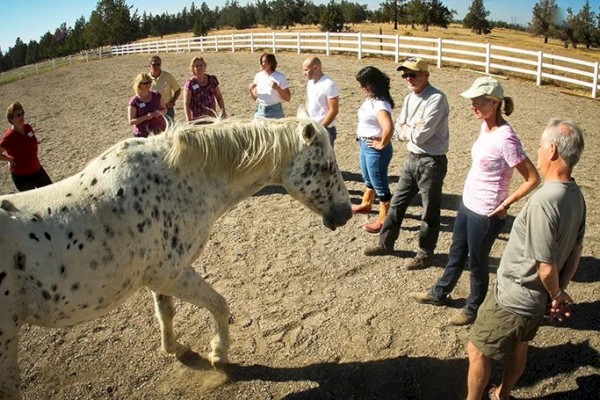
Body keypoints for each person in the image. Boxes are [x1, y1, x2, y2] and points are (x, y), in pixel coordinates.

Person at [466, 119, 586, 400]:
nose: (539, 151)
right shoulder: (576, 196)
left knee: (478, 349)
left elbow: (545, 266)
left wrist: (556, 293)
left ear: (553, 150)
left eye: (543, 146)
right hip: (536, 301)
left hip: (515, 297)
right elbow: (575, 251)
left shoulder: (545, 199)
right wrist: (556, 294)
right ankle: (503, 395)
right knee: (520, 343)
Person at [409, 76, 541, 326]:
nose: (472, 106)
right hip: (469, 204)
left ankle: (473, 307)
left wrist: (506, 203)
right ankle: (439, 293)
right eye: (472, 101)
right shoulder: (485, 127)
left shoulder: (506, 138)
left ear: (494, 103)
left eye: (478, 101)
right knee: (456, 252)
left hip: (487, 213)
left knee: (477, 262)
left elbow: (533, 178)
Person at [363, 57, 449, 270]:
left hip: (432, 161)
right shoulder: (411, 98)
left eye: (413, 74)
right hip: (412, 159)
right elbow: (399, 130)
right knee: (398, 203)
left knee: (429, 210)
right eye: (405, 75)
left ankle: (425, 253)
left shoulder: (437, 99)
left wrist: (407, 128)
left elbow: (420, 135)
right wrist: (410, 128)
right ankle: (385, 243)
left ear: (426, 75)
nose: (408, 78)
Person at [352, 66, 395, 232]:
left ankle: (385, 219)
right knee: (368, 177)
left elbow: (388, 127)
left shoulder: (380, 104)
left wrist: (382, 144)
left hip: (374, 149)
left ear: (372, 84)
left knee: (380, 183)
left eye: (363, 84)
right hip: (365, 144)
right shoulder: (371, 99)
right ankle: (366, 204)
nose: (360, 87)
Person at [0, 102, 52, 192]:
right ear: (11, 119)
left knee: (51, 193)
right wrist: (9, 160)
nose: (22, 116)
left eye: (22, 113)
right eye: (18, 115)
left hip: (37, 169)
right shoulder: (9, 137)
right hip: (22, 177)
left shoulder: (28, 128)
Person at [302, 56, 340, 147]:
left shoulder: (329, 85)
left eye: (306, 70)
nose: (304, 73)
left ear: (315, 68)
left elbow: (333, 110)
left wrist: (321, 127)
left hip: (325, 129)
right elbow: (309, 101)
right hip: (311, 127)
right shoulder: (310, 83)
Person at [249, 52, 291, 119]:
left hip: (276, 112)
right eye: (261, 62)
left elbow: (288, 98)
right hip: (260, 111)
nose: (261, 64)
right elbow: (255, 98)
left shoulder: (280, 76)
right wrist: (251, 90)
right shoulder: (258, 76)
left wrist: (277, 88)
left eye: (263, 62)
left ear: (270, 63)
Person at [183, 57, 226, 121]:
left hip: (212, 118)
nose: (199, 68)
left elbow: (219, 97)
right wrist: (188, 119)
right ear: (193, 68)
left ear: (205, 66)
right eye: (196, 66)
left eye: (201, 65)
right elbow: (186, 103)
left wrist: (223, 111)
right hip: (197, 119)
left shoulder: (212, 80)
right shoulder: (190, 83)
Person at [128, 72, 167, 137]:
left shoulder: (157, 95)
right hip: (142, 135)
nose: (148, 85)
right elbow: (131, 121)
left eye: (149, 82)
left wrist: (159, 112)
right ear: (139, 84)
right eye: (145, 83)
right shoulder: (134, 101)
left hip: (159, 132)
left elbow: (165, 110)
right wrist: (145, 117)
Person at [148, 55, 181, 122]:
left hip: (167, 108)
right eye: (154, 65)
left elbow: (178, 90)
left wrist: (173, 101)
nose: (156, 67)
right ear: (149, 66)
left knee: (170, 128)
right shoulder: (147, 79)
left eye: (158, 64)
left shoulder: (168, 76)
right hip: (153, 110)